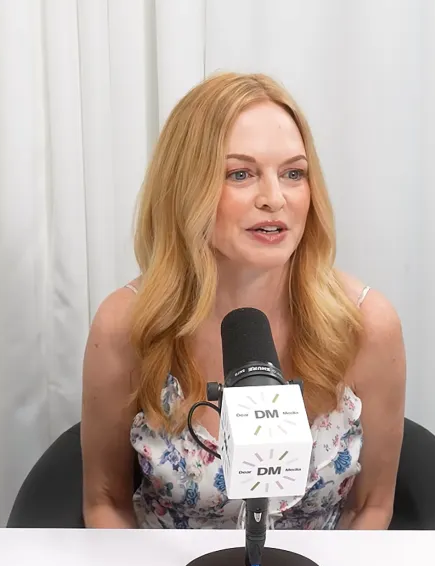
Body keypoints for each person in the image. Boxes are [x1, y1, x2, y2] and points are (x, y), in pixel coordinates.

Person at [80, 72, 407, 531]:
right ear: (187, 189)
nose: (274, 199)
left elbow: (371, 506)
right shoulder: (125, 324)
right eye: (241, 174)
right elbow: (105, 502)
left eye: (293, 173)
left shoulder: (368, 323)